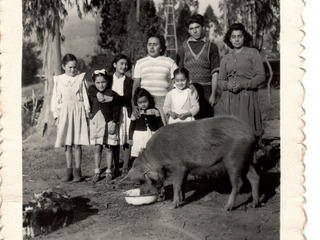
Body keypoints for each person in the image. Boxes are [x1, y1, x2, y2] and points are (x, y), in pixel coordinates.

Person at [215, 23, 265, 135]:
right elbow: (220, 81)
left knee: (248, 133)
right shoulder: (225, 58)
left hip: (247, 97)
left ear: (244, 37)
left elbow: (261, 76)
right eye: (233, 37)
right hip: (229, 100)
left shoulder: (253, 53)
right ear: (229, 39)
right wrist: (227, 85)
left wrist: (244, 84)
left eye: (240, 36)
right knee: (232, 134)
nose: (237, 39)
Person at [51, 53, 90, 182]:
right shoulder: (59, 80)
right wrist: (56, 115)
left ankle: (78, 172)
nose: (73, 70)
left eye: (74, 67)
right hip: (65, 113)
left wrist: (87, 112)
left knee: (77, 143)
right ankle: (69, 172)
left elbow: (85, 97)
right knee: (67, 144)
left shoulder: (80, 79)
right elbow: (55, 98)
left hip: (78, 112)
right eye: (70, 67)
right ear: (63, 67)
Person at [176, 14, 220, 116]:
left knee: (207, 124)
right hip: (189, 90)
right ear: (188, 30)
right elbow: (180, 73)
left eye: (197, 27)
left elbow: (215, 73)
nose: (195, 31)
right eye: (191, 28)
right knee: (189, 123)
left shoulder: (211, 47)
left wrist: (213, 95)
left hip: (207, 91)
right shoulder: (182, 48)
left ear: (202, 27)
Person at [132, 33, 178, 125]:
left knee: (163, 130)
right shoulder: (140, 63)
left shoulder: (170, 62)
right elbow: (136, 85)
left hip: (163, 102)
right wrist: (134, 104)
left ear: (161, 48)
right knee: (147, 130)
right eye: (149, 44)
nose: (152, 47)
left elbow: (178, 79)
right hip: (145, 102)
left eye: (155, 45)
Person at [88, 69, 121, 182]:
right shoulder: (93, 93)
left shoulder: (112, 94)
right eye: (97, 82)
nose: (100, 85)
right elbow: (90, 88)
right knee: (97, 147)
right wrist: (97, 93)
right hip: (97, 123)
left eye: (103, 82)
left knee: (109, 147)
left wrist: (114, 122)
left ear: (107, 81)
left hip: (109, 123)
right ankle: (97, 171)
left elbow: (117, 109)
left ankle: (109, 170)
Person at [110, 54, 133, 176]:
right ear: (115, 65)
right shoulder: (109, 80)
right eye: (121, 64)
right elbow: (97, 88)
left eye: (126, 64)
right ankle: (115, 166)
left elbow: (127, 98)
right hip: (113, 113)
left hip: (125, 111)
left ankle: (125, 165)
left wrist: (112, 98)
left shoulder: (129, 81)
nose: (124, 67)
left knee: (126, 138)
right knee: (114, 139)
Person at [129, 88, 163, 158]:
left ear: (149, 100)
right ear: (136, 103)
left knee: (152, 153)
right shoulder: (136, 113)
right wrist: (130, 138)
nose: (143, 104)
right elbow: (131, 126)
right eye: (140, 103)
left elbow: (160, 124)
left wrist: (161, 135)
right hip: (139, 135)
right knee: (139, 154)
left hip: (152, 135)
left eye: (145, 101)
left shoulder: (155, 111)